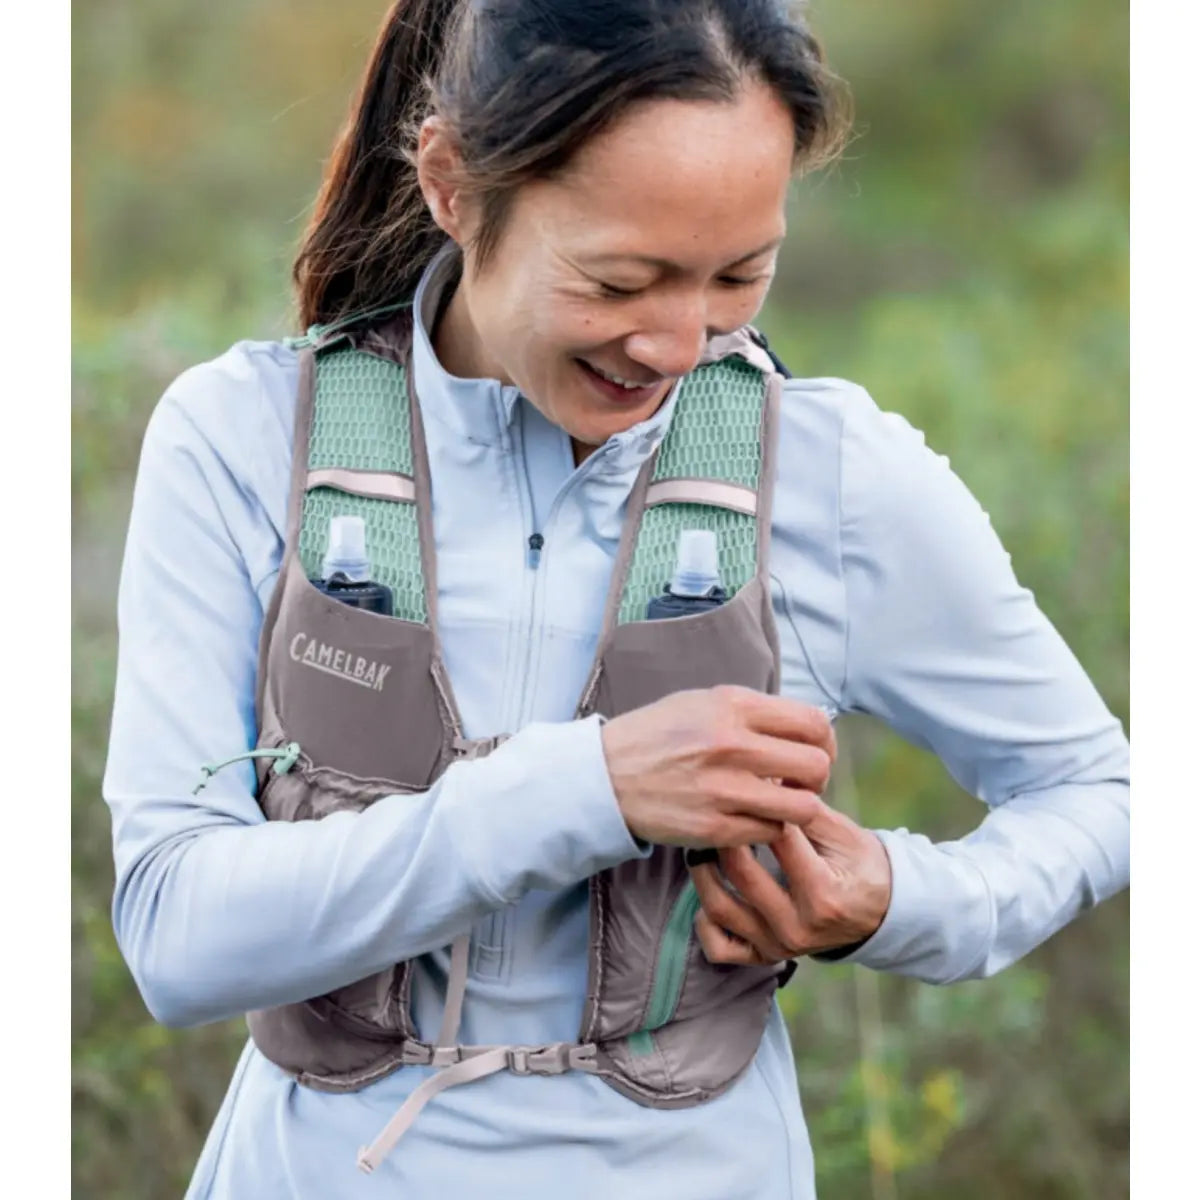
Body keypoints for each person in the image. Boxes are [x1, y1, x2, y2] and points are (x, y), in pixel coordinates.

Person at [102, 1, 1130, 1196]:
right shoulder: (240, 437)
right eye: (621, 281)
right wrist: (586, 788)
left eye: (740, 275)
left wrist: (897, 901)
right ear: (450, 183)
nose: (681, 345)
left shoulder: (835, 474)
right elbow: (175, 934)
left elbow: (1100, 794)